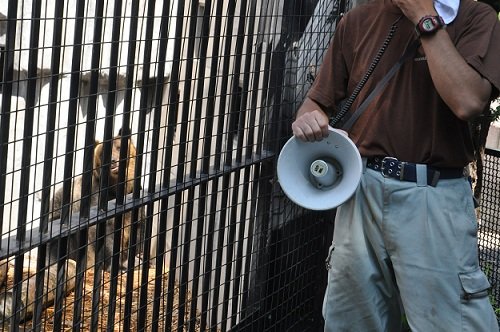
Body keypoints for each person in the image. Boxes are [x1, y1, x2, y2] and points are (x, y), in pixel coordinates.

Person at [291, 0, 500, 331]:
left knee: (451, 324)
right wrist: (308, 119)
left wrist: (423, 16)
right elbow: (316, 102)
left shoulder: (475, 18)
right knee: (350, 322)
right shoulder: (359, 19)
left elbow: (468, 101)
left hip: (433, 196)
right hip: (360, 192)